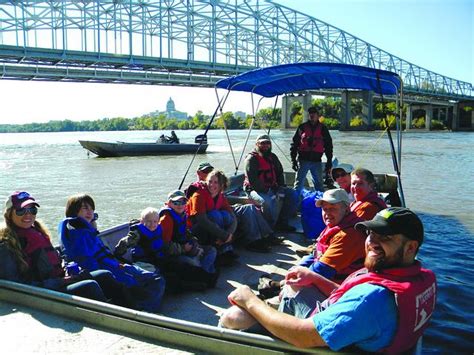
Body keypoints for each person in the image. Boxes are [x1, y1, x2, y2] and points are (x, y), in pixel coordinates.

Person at [220, 207, 437, 354]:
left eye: (385, 238)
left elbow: (303, 336)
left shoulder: (373, 299)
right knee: (294, 287)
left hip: (314, 340)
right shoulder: (420, 277)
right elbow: (352, 300)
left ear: (410, 247)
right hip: (353, 328)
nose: (372, 243)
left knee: (233, 316)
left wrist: (249, 299)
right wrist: (314, 277)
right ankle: (280, 301)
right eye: (371, 234)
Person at [0, 191, 127, 305]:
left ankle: (132, 311)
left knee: (104, 275)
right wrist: (61, 282)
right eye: (21, 211)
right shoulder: (6, 245)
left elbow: (54, 259)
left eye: (32, 210)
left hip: (58, 281)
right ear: (9, 214)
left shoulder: (37, 231)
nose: (28, 215)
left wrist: (66, 271)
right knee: (89, 286)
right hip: (42, 292)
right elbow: (15, 285)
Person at [58, 193, 165, 312]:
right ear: (74, 210)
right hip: (112, 271)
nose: (90, 211)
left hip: (114, 266)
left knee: (155, 277)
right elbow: (89, 265)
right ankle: (147, 311)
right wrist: (119, 271)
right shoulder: (77, 234)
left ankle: (144, 304)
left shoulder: (84, 230)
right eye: (85, 208)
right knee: (157, 280)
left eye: (91, 208)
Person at [259, 189, 365, 298]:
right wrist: (295, 270)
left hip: (339, 290)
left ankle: (277, 290)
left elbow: (321, 270)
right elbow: (315, 254)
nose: (327, 213)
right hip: (325, 278)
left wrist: (287, 283)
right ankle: (277, 288)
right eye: (325, 209)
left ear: (346, 210)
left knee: (284, 295)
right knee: (299, 267)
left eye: (333, 208)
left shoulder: (348, 235)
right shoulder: (338, 224)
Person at [187, 163, 279, 253]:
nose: (212, 184)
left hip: (220, 221)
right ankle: (223, 248)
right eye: (210, 181)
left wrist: (229, 234)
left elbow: (232, 215)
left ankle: (261, 237)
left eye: (216, 182)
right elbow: (202, 220)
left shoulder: (219, 195)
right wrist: (224, 235)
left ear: (221, 185)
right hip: (199, 228)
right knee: (216, 215)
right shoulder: (199, 194)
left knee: (249, 208)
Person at [244, 134, 298, 231]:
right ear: (257, 144)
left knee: (293, 195)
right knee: (267, 202)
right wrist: (268, 192)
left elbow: (280, 173)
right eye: (262, 143)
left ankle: (282, 222)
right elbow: (253, 181)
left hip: (271, 186)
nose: (265, 145)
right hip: (253, 189)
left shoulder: (273, 157)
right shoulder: (251, 159)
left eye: (267, 143)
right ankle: (268, 228)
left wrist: (281, 188)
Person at [290, 106, 333, 192]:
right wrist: (293, 160)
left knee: (319, 185)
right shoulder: (302, 127)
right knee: (298, 185)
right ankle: (295, 203)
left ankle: (319, 203)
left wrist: (329, 161)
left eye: (314, 113)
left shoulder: (323, 128)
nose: (312, 115)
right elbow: (294, 144)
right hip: (303, 160)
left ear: (318, 115)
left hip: (316, 161)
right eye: (310, 114)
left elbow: (328, 146)